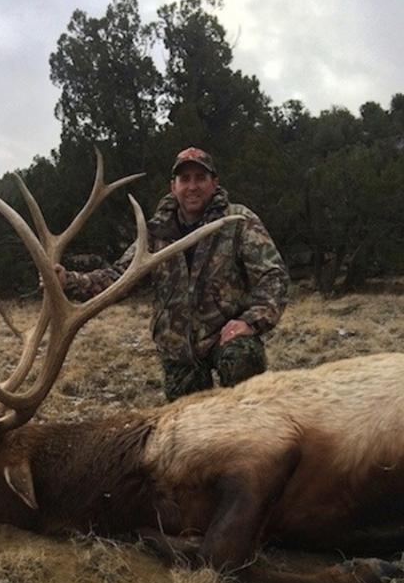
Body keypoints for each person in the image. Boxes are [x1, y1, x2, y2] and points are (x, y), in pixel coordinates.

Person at [56, 147, 289, 401]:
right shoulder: (155, 233)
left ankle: (251, 427)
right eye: (185, 179)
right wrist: (68, 280)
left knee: (243, 358)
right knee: (188, 427)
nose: (192, 186)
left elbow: (273, 277)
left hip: (225, 339)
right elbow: (118, 278)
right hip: (178, 348)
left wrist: (250, 321)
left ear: (215, 182)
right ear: (173, 186)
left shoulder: (238, 221)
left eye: (200, 178)